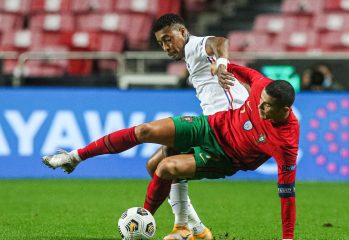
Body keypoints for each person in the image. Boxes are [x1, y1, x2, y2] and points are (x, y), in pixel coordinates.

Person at [42, 63, 299, 240]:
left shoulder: (286, 141)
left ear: (285, 109)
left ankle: (141, 226)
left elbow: (287, 192)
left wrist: (288, 237)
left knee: (165, 168)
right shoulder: (261, 87)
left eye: (267, 107)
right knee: (145, 134)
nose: (260, 108)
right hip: (210, 126)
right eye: (261, 102)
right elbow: (248, 72)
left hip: (226, 157)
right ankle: (74, 157)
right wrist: (223, 67)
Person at [149, 13, 249, 240]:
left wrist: (222, 65)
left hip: (227, 127)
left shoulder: (195, 45)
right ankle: (197, 230)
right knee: (154, 165)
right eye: (160, 43)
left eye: (167, 39)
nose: (165, 47)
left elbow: (220, 42)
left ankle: (186, 228)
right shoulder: (190, 56)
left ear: (182, 32)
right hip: (216, 123)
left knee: (162, 164)